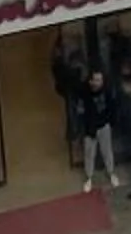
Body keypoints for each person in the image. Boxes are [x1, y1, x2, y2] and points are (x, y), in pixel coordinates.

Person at [75, 67, 118, 193]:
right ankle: (89, 177)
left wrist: (111, 121)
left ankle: (111, 172)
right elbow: (81, 111)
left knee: (107, 151)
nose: (100, 82)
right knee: (89, 154)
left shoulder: (107, 90)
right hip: (90, 128)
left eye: (101, 79)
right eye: (97, 80)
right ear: (91, 81)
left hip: (104, 125)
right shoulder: (84, 93)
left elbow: (112, 106)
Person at [49, 36, 89, 170]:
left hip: (75, 92)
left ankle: (79, 140)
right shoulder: (64, 63)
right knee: (77, 117)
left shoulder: (67, 62)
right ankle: (79, 141)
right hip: (74, 92)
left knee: (77, 118)